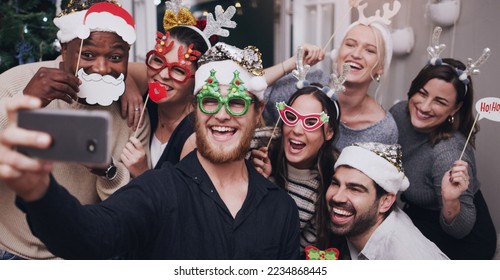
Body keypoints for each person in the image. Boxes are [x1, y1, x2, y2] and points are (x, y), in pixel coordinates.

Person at [0, 42, 300, 260]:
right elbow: (90, 236)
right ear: (195, 110)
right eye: (210, 101)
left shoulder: (279, 209)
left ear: (257, 110)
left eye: (236, 103)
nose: (222, 115)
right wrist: (40, 192)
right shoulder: (159, 190)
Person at [0, 1, 150, 259]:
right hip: (10, 250)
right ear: (65, 49)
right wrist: (24, 103)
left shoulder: (132, 114)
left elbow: (128, 210)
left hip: (77, 256)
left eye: (115, 57)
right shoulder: (16, 82)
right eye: (88, 55)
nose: (102, 69)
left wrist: (108, 170)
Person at [389, 55, 497, 259]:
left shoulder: (448, 153)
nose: (424, 106)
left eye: (439, 101)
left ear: (455, 108)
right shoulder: (399, 113)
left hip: (463, 239)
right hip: (417, 213)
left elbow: (460, 229)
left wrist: (450, 200)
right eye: (422, 93)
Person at [264, 0, 401, 151]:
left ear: (380, 68)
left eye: (369, 50)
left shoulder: (384, 130)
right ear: (338, 54)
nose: (356, 54)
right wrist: (292, 63)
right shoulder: (307, 84)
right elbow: (244, 86)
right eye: (350, 44)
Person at [120, 1, 232, 176]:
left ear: (199, 82)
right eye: (158, 60)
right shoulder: (150, 84)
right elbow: (115, 68)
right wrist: (129, 86)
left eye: (178, 70)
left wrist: (143, 173)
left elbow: (183, 202)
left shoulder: (196, 137)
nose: (163, 75)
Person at [251, 83, 340, 257]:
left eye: (311, 122)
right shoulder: (257, 144)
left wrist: (266, 190)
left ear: (329, 132)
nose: (297, 130)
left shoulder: (330, 185)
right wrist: (248, 177)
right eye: (291, 117)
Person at [324, 142, 449, 260]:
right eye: (335, 184)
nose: (337, 197)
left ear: (385, 201)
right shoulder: (361, 226)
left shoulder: (405, 258)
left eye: (355, 189)